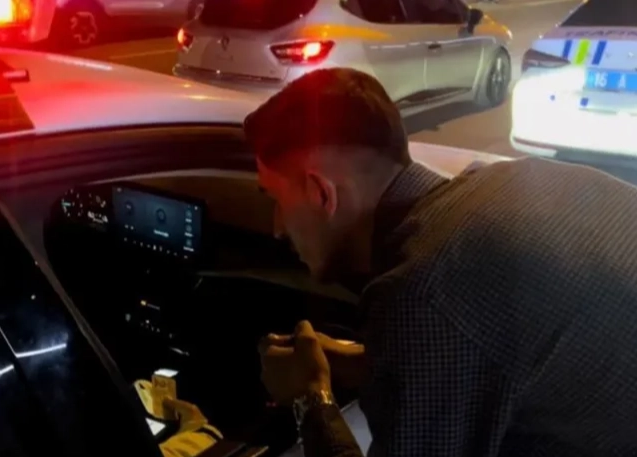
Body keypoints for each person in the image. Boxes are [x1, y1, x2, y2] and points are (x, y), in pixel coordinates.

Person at [246, 67, 637, 457]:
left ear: (321, 194)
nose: (277, 228)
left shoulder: (423, 289)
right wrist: (363, 364)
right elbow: (491, 351)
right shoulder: (505, 181)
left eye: (275, 199)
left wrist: (311, 397)